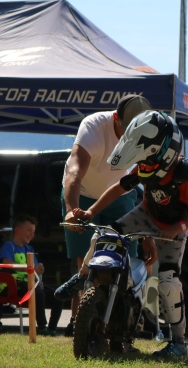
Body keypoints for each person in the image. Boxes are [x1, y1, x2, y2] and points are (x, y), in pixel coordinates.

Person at [68, 110, 188, 359]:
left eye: (148, 157)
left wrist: (177, 228)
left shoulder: (184, 175)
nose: (144, 164)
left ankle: (179, 344)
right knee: (104, 236)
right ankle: (81, 277)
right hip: (145, 213)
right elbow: (118, 188)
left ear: (164, 152)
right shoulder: (146, 166)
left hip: (173, 227)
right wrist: (91, 212)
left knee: (168, 283)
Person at [56, 94, 152, 336]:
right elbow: (74, 171)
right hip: (83, 194)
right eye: (127, 129)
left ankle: (123, 327)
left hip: (120, 196)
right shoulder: (94, 127)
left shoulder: (148, 133)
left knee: (125, 262)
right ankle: (78, 324)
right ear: (116, 118)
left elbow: (149, 182)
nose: (132, 135)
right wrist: (71, 210)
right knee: (84, 263)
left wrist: (147, 233)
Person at [1, 213, 55, 335]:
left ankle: (52, 329)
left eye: (33, 231)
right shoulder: (9, 246)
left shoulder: (29, 249)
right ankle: (42, 327)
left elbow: (34, 269)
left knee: (58, 295)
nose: (32, 234)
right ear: (17, 230)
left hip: (32, 284)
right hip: (17, 285)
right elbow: (6, 263)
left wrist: (39, 278)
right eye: (29, 230)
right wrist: (30, 269)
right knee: (38, 293)